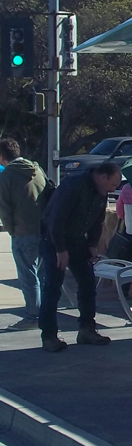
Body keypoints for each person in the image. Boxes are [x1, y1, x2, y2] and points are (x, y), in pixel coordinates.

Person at [39, 162, 122, 352]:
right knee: (53, 286)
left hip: (78, 240)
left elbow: (98, 220)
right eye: (113, 185)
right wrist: (60, 249)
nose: (114, 189)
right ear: (103, 177)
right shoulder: (73, 186)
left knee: (87, 283)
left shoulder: (101, 193)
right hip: (54, 240)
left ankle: (87, 329)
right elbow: (55, 220)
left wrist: (92, 244)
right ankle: (49, 335)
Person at [0, 138, 48, 329]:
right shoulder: (37, 170)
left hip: (23, 232)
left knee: (28, 277)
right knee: (42, 276)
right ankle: (44, 313)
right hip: (44, 230)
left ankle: (33, 316)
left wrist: (12, 230)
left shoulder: (6, 177)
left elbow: (4, 208)